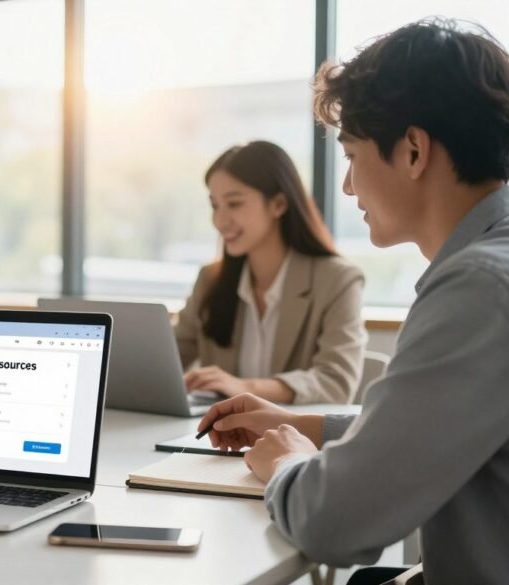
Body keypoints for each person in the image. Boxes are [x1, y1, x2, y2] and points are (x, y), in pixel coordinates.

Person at [197, 18, 509, 585]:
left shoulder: (480, 290)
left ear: (413, 150)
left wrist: (286, 460)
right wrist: (305, 425)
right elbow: (434, 424)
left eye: (352, 155)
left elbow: (333, 523)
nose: (346, 186)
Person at [175, 141, 366, 404]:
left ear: (278, 204)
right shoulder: (211, 279)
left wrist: (244, 387)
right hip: (218, 437)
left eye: (234, 204)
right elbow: (168, 358)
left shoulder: (337, 280)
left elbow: (335, 382)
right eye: (215, 205)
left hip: (295, 439)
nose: (219, 221)